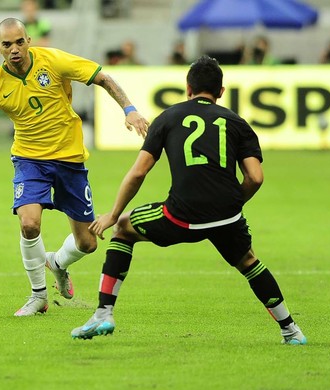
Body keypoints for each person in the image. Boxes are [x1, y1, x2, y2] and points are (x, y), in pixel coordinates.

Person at [0, 18, 149, 317]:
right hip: (29, 160)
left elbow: (103, 78)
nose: (15, 49)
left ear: (29, 41)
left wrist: (130, 110)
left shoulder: (53, 60)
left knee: (88, 243)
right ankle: (38, 296)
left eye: (20, 42)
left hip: (70, 159)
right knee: (29, 223)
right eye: (7, 44)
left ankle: (58, 263)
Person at [70, 55, 307, 345]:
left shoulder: (168, 118)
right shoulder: (237, 123)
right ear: (221, 91)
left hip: (181, 216)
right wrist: (232, 204)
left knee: (123, 227)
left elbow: (138, 172)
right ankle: (291, 330)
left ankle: (103, 313)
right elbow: (255, 177)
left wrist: (112, 213)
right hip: (227, 217)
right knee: (248, 261)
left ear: (187, 88)